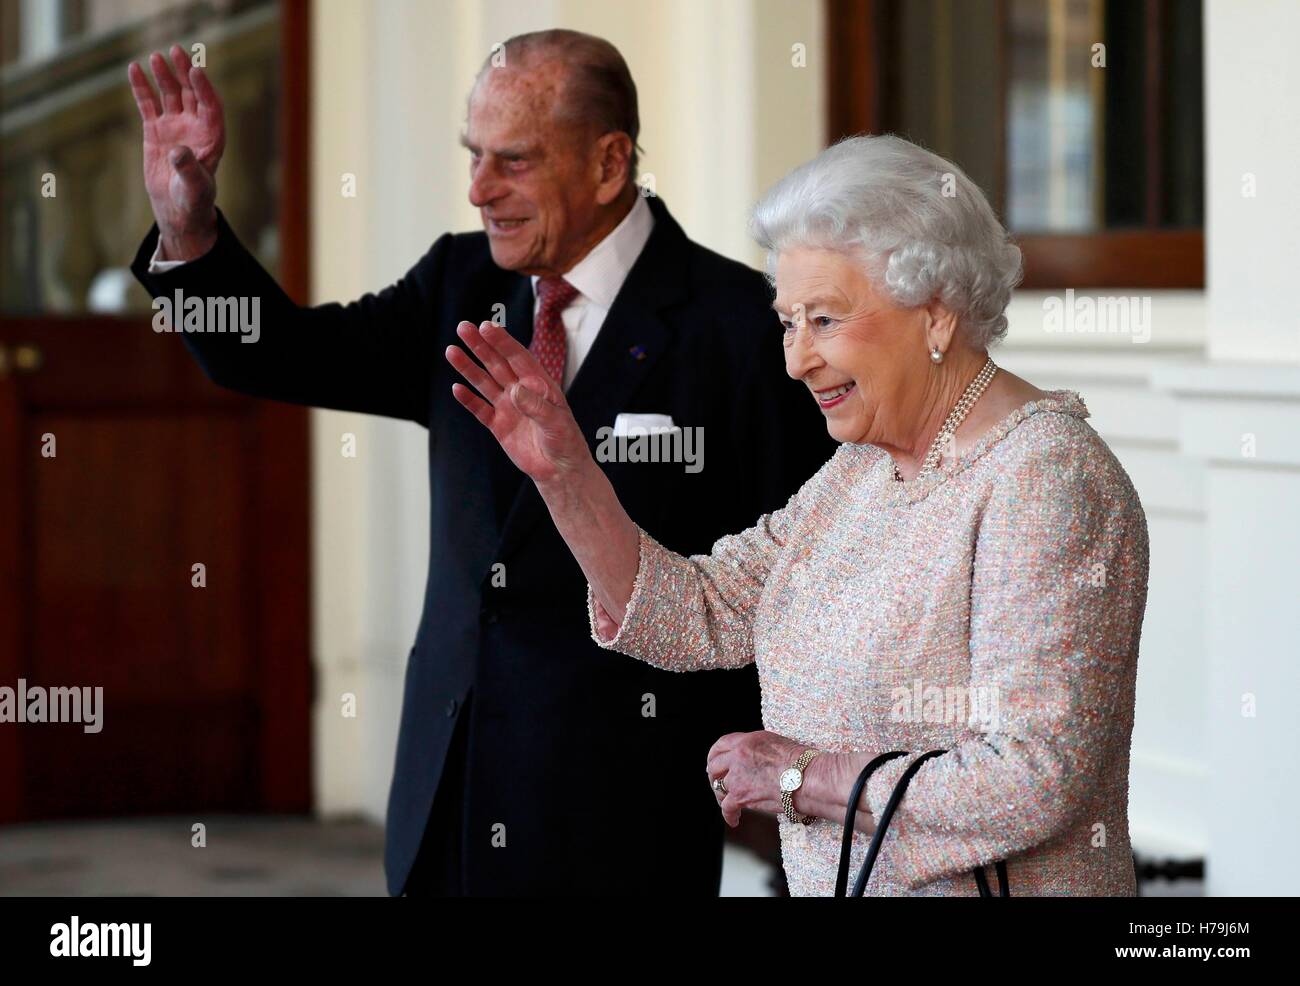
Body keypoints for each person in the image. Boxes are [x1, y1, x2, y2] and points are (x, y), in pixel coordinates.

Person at [126, 30, 834, 895]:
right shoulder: (458, 284)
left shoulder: (739, 327)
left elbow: (794, 584)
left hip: (622, 812)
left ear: (610, 164)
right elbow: (277, 354)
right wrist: (187, 227)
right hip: (447, 789)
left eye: (515, 161)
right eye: (474, 156)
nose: (479, 189)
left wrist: (781, 807)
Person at [448, 134, 1151, 896]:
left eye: (823, 320)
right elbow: (701, 611)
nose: (795, 360)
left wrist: (800, 775)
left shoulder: (1045, 478)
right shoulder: (862, 468)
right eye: (788, 322)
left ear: (937, 316)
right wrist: (567, 478)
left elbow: (1033, 776)